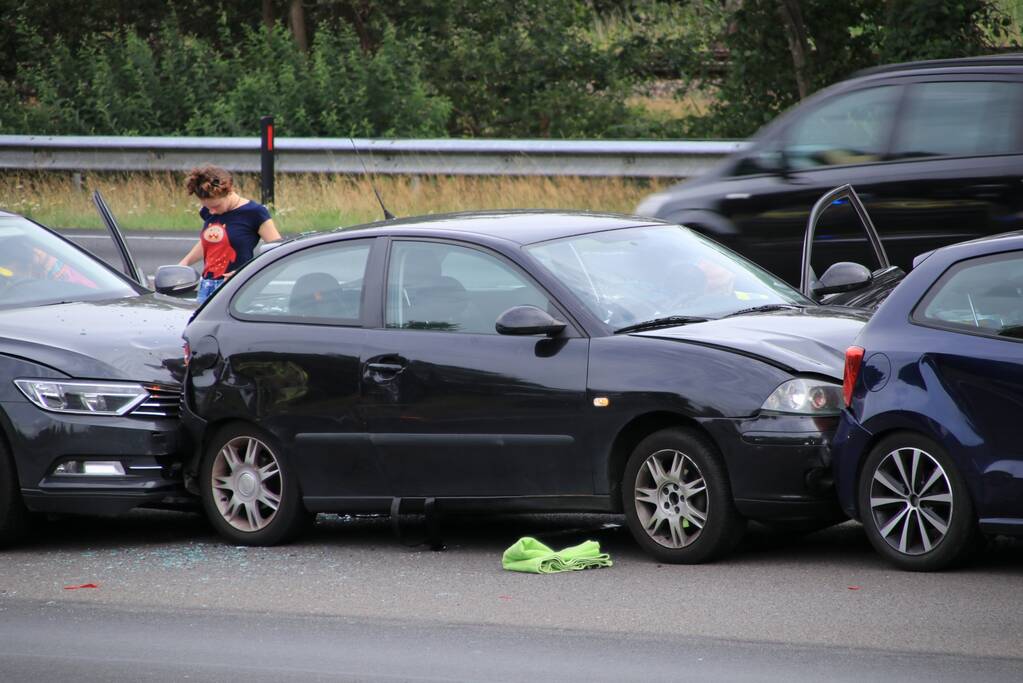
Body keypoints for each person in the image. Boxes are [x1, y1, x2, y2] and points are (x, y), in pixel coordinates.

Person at [179, 165, 281, 303]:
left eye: (216, 207)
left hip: (237, 287)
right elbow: (211, 242)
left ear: (229, 192)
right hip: (207, 285)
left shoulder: (255, 213)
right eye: (208, 207)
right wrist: (184, 263)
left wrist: (245, 272)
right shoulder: (208, 211)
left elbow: (277, 250)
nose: (212, 212)